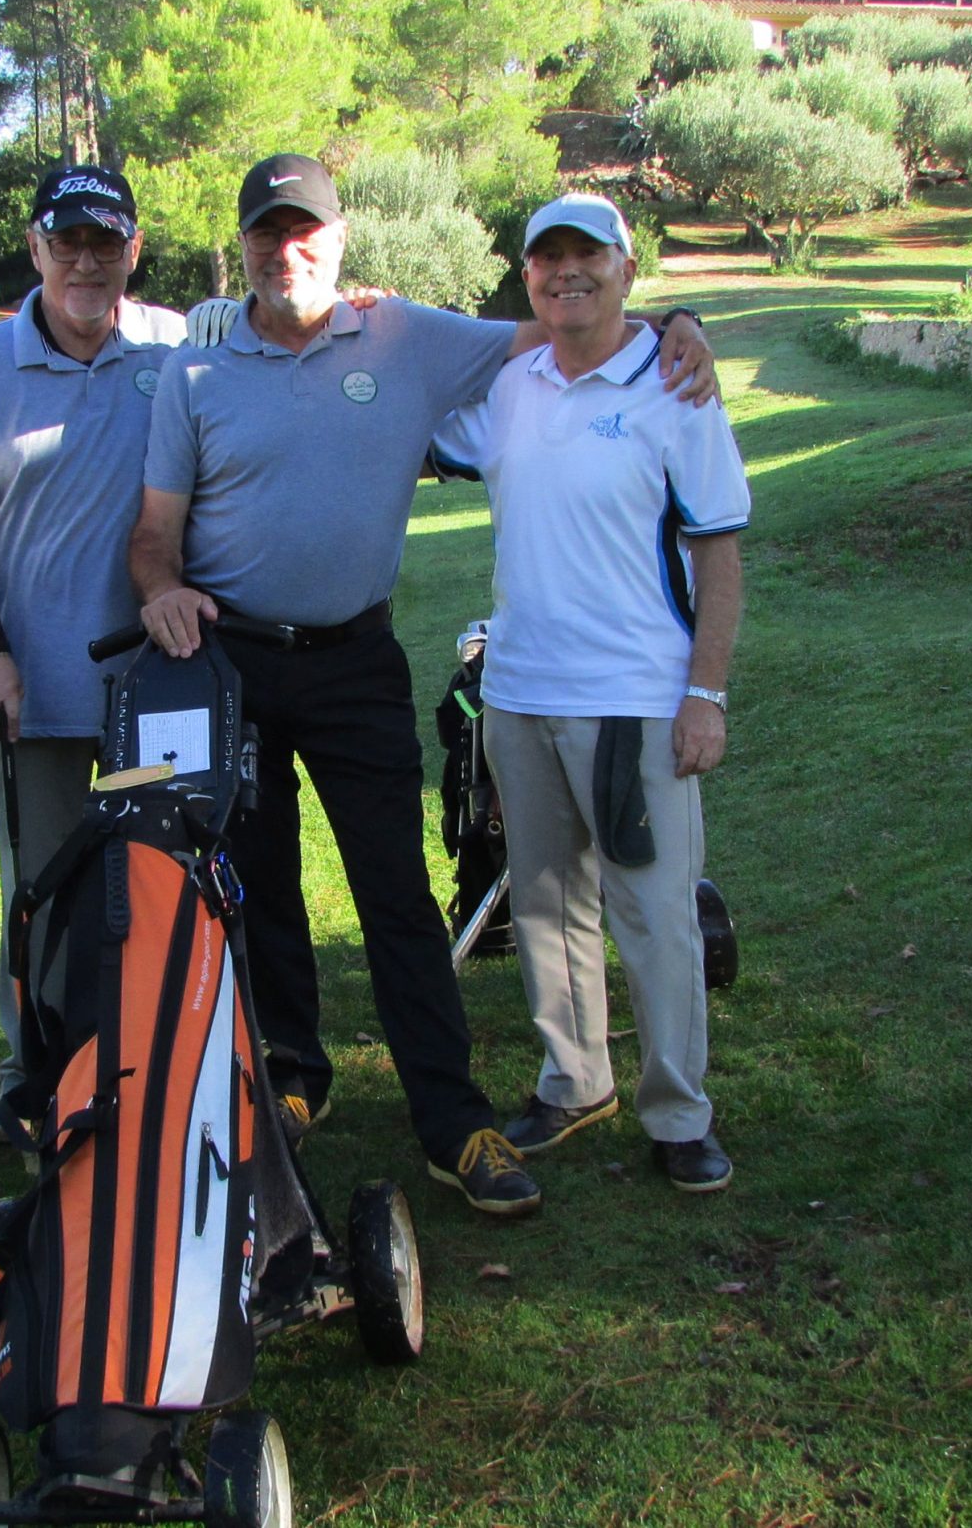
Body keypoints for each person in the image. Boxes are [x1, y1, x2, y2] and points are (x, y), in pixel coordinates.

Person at [128, 154, 717, 1217]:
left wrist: (674, 320)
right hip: (231, 663)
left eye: (305, 231)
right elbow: (153, 533)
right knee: (256, 888)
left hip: (355, 661)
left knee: (395, 891)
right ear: (243, 244)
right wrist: (161, 588)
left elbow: (561, 323)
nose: (286, 251)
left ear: (339, 240)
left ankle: (451, 1120)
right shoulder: (196, 373)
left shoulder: (402, 336)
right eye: (267, 232)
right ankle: (293, 1076)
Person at [432, 194, 749, 1192]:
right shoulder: (510, 386)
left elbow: (719, 554)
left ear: (626, 267)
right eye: (547, 258)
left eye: (588, 256)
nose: (566, 272)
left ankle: (678, 1112)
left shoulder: (675, 383)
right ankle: (574, 1081)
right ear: (527, 275)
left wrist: (706, 694)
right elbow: (405, 411)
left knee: (652, 912)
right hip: (519, 693)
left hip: (634, 700)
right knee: (544, 902)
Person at [0, 167, 187, 1143]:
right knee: (38, 890)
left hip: (152, 683)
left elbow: (280, 337)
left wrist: (360, 308)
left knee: (153, 880)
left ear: (133, 250)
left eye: (104, 243)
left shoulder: (176, 344)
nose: (86, 262)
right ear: (36, 248)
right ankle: (33, 1072)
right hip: (29, 687)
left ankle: (142, 1064)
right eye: (66, 242)